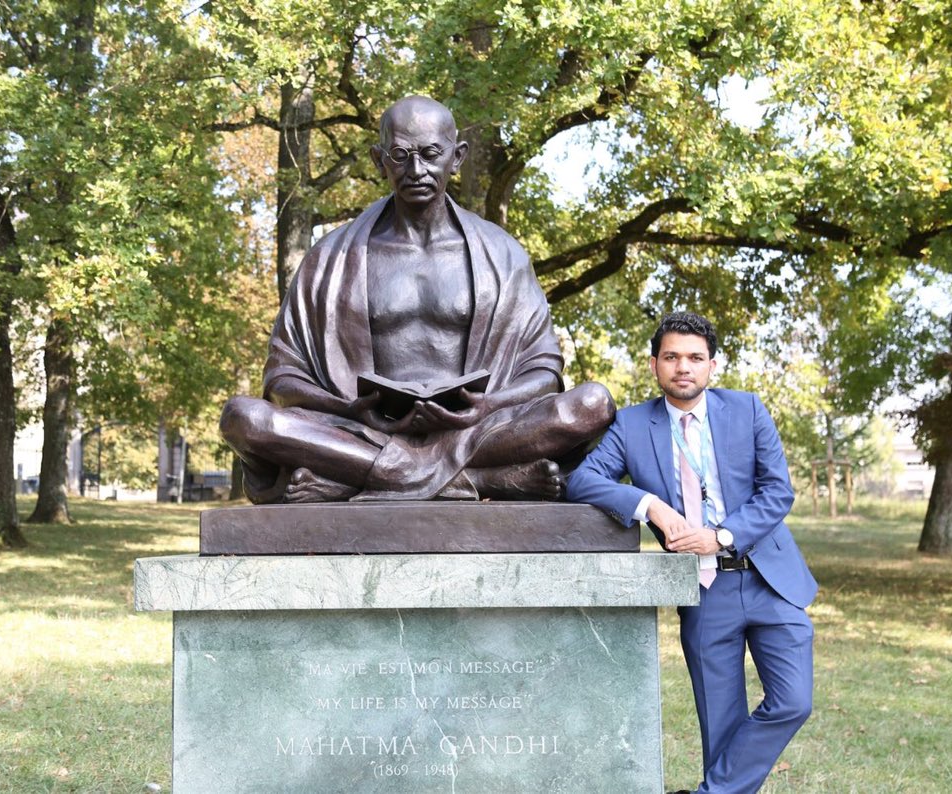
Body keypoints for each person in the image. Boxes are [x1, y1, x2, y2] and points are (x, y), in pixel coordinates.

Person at [221, 95, 614, 503]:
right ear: (379, 160)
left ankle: (364, 478)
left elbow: (544, 370)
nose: (416, 170)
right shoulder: (329, 259)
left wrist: (487, 405)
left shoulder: (503, 254)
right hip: (362, 431)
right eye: (400, 155)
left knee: (592, 404)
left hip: (477, 428)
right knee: (243, 418)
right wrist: (350, 409)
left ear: (457, 156)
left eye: (430, 154)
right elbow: (283, 379)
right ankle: (481, 480)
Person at [566, 311, 817, 794]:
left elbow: (777, 492)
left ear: (712, 365)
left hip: (770, 580)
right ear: (655, 364)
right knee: (720, 724)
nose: (684, 367)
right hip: (702, 590)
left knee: (793, 701)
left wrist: (721, 535)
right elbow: (582, 480)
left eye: (695, 358)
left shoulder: (747, 410)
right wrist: (651, 507)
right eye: (672, 357)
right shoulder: (632, 425)